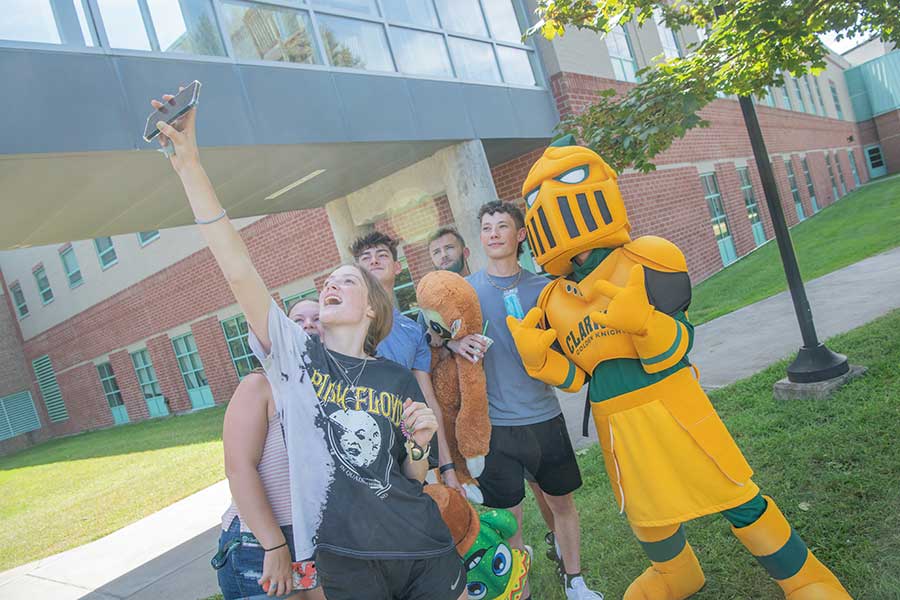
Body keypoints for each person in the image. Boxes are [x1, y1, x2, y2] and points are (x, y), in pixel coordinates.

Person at [152, 90, 465, 600]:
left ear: (370, 309)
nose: (331, 285)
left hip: (421, 543)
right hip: (346, 562)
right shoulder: (298, 359)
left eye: (348, 281)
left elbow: (411, 473)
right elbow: (237, 269)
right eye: (328, 282)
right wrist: (189, 165)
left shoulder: (395, 375)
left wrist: (420, 442)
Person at [507, 138, 851, 600]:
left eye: (565, 181)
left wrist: (646, 324)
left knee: (734, 493)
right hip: (618, 425)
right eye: (536, 196)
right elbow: (579, 378)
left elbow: (679, 343)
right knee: (648, 510)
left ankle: (804, 577)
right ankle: (675, 573)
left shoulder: (646, 259)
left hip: (673, 406)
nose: (550, 200)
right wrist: (541, 361)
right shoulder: (553, 299)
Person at [459, 201, 604, 600]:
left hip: (544, 416)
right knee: (510, 520)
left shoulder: (544, 288)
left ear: (519, 235)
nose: (492, 233)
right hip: (497, 426)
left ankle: (575, 581)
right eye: (486, 226)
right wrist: (455, 341)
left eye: (502, 226)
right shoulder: (468, 292)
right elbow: (436, 338)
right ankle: (517, 592)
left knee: (561, 504)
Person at [427, 226, 562, 566]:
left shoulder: (482, 288)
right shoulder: (433, 301)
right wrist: (451, 341)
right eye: (436, 252)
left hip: (511, 401)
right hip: (477, 416)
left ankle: (558, 542)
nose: (443, 256)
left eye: (449, 248)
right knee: (502, 498)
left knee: (542, 486)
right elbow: (427, 336)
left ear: (465, 252)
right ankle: (516, 561)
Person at [216, 300, 330, 600]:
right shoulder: (259, 385)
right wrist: (274, 545)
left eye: (317, 318)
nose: (308, 325)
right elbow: (239, 468)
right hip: (261, 541)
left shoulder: (329, 389)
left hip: (315, 539)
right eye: (297, 320)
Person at [350, 231, 463, 493]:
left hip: (407, 454)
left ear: (397, 267)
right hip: (360, 452)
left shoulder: (412, 331)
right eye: (366, 257)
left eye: (382, 255)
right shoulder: (345, 323)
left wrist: (447, 469)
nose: (374, 260)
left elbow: (428, 400)